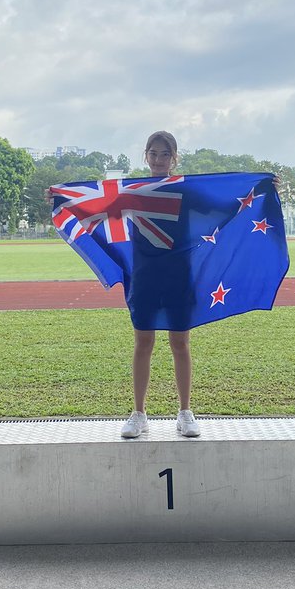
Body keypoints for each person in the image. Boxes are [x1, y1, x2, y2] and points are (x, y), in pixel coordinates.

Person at [118, 131, 200, 439]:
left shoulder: (187, 192)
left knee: (180, 344)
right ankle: (139, 414)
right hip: (146, 277)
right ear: (145, 156)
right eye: (152, 153)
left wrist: (262, 188)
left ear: (174, 158)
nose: (157, 159)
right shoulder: (133, 191)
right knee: (144, 343)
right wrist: (59, 198)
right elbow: (95, 208)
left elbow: (226, 201)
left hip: (179, 277)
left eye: (164, 154)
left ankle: (185, 412)